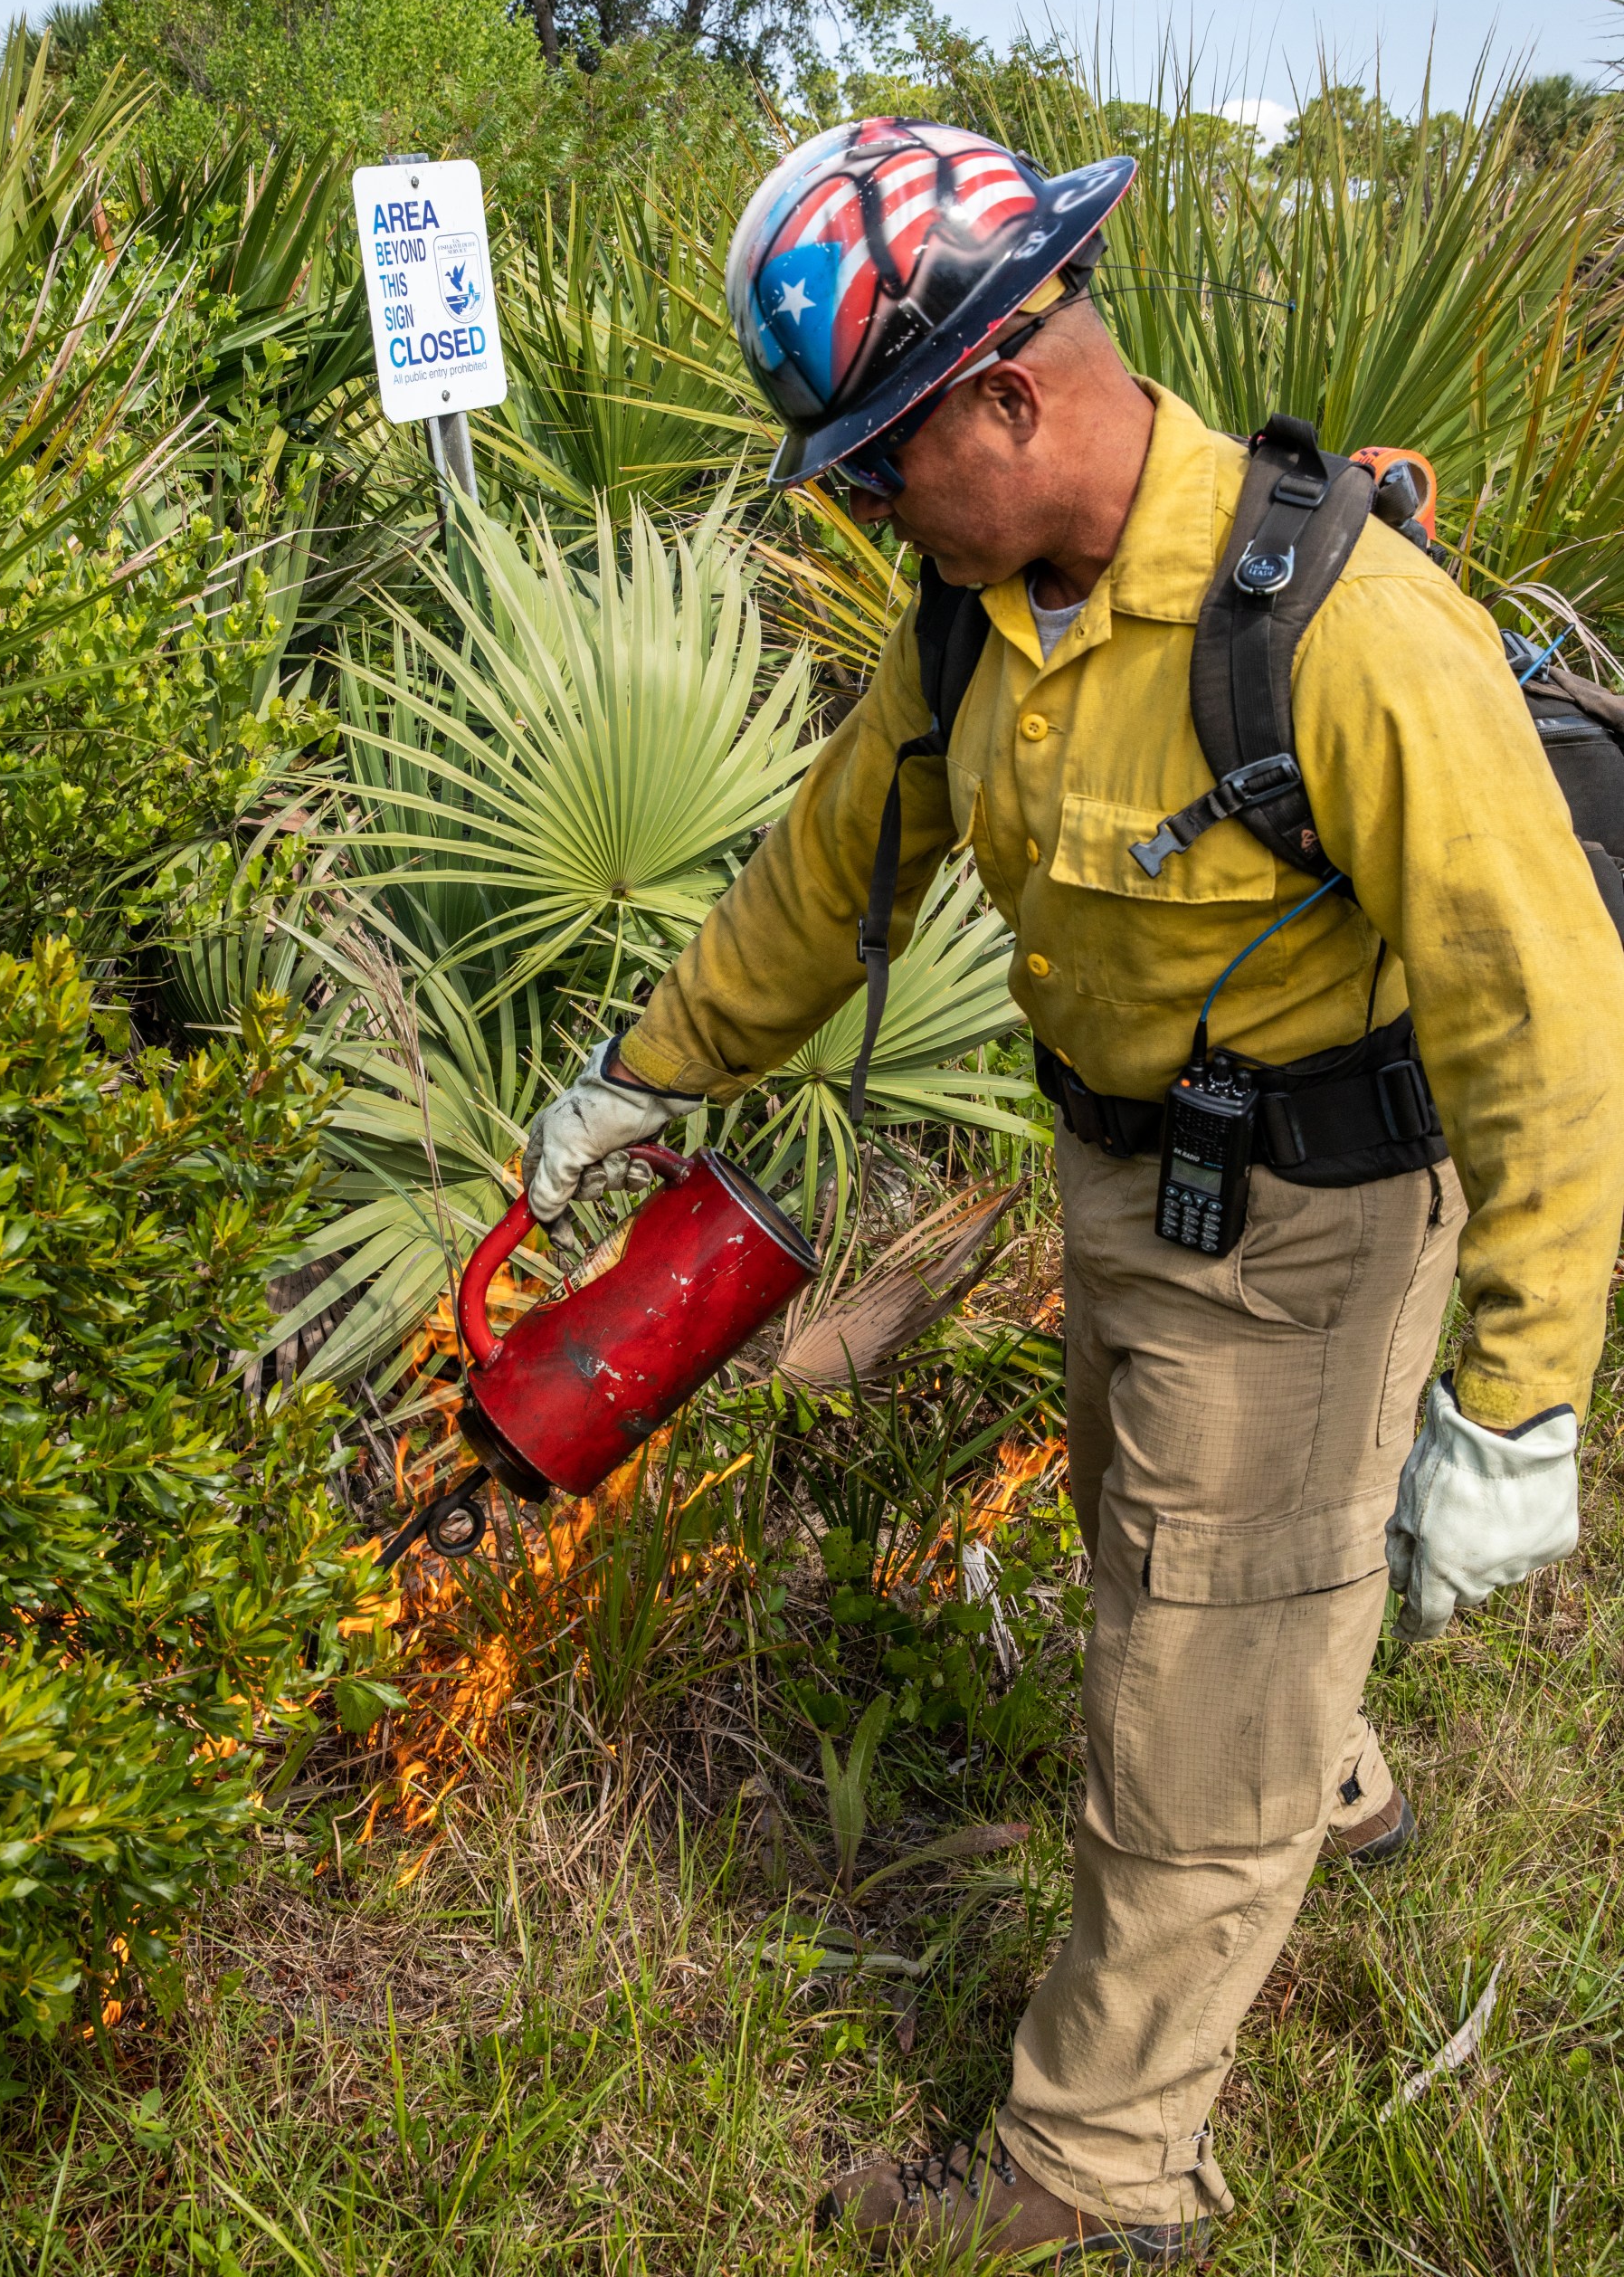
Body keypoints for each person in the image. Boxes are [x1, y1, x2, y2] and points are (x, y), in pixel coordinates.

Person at [521, 120, 1624, 2264]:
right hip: (1125, 1194)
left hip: (1315, 1221)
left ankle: (1093, 2174)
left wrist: (1522, 1402)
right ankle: (1312, 1749)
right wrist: (641, 1076)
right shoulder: (972, 621)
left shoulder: (1341, 636)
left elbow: (1547, 1022)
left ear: (1005, 397)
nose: (857, 506)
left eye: (870, 464)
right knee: (1175, 1562)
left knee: (1177, 1722)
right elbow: (826, 870)